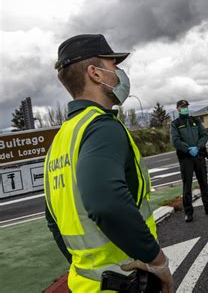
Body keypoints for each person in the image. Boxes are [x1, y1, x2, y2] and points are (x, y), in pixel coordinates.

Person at [44, 34, 174, 292]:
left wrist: (86, 266)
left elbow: (52, 220)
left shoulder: (61, 140)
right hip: (127, 281)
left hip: (86, 284)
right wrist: (156, 260)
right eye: (114, 66)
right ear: (95, 73)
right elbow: (106, 203)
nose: (120, 74)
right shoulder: (102, 127)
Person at [170, 100, 208, 222]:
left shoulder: (195, 121)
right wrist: (188, 149)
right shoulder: (175, 124)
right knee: (187, 185)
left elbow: (204, 135)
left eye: (186, 106)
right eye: (182, 107)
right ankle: (188, 213)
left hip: (199, 156)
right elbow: (175, 141)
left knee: (204, 183)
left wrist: (198, 147)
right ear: (178, 109)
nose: (185, 108)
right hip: (186, 158)